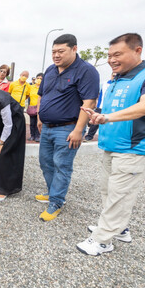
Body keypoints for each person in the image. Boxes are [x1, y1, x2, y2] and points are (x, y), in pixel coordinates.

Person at [76, 33, 145, 256]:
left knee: (119, 194)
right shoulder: (117, 78)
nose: (111, 59)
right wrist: (98, 114)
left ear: (137, 51)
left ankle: (102, 241)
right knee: (109, 191)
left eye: (117, 54)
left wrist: (107, 118)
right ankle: (119, 228)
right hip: (112, 144)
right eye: (109, 55)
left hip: (134, 147)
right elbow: (113, 110)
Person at [36, 34, 99, 221]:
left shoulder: (86, 71)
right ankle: (52, 192)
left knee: (61, 165)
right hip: (46, 126)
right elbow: (41, 95)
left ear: (74, 49)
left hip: (67, 127)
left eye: (60, 51)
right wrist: (40, 116)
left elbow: (89, 101)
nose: (56, 55)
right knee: (45, 162)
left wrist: (79, 129)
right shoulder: (50, 70)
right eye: (54, 52)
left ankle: (56, 202)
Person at [83, 74, 115, 142]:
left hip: (111, 107)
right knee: (95, 122)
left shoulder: (119, 84)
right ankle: (89, 136)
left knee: (110, 122)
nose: (114, 77)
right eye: (113, 75)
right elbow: (97, 93)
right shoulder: (104, 84)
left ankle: (108, 138)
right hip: (101, 106)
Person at [28, 73, 42, 142]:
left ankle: (37, 136)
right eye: (38, 78)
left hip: (40, 107)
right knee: (32, 123)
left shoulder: (43, 88)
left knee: (38, 122)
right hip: (32, 107)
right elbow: (28, 96)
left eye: (41, 79)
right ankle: (32, 136)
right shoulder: (31, 87)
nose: (39, 80)